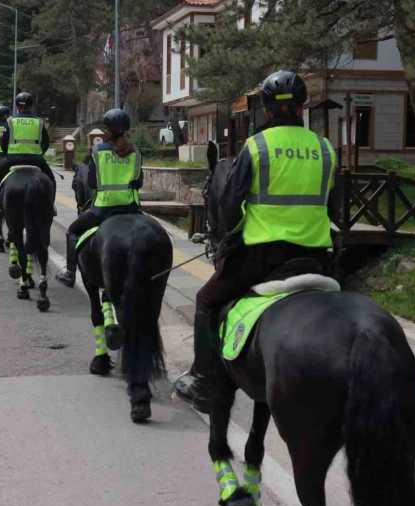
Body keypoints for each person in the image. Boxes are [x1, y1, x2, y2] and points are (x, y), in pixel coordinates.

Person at [173, 70, 338, 414]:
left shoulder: (257, 147)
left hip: (263, 258)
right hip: (316, 258)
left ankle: (203, 382)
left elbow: (230, 206)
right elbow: (334, 206)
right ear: (301, 107)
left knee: (205, 302)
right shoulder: (325, 148)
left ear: (266, 109)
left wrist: (232, 238)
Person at [55, 108, 143, 288]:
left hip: (103, 209)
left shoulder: (97, 151)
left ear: (108, 131)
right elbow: (138, 182)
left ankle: (70, 274)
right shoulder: (135, 152)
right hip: (131, 208)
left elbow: (92, 183)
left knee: (73, 231)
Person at [0, 92, 56, 215]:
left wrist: (7, 154)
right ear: (30, 106)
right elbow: (46, 142)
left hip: (13, 159)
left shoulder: (10, 121)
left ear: (17, 106)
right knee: (51, 180)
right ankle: (51, 207)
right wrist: (39, 153)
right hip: (36, 160)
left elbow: (3, 141)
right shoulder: (39, 122)